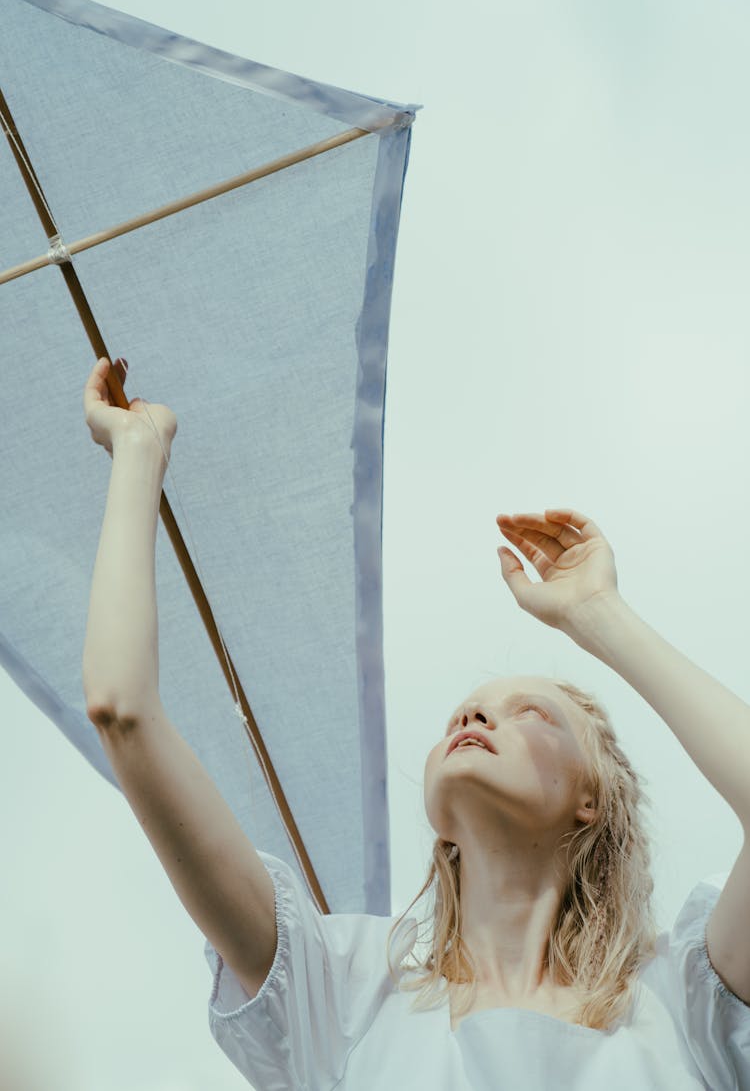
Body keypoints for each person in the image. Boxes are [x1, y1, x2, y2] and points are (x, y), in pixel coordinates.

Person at [82, 357, 750, 1090]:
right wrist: (138, 451)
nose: (473, 714)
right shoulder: (342, 999)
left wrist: (600, 616)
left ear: (592, 797)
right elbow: (123, 710)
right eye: (465, 711)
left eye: (530, 713)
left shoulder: (681, 1008)